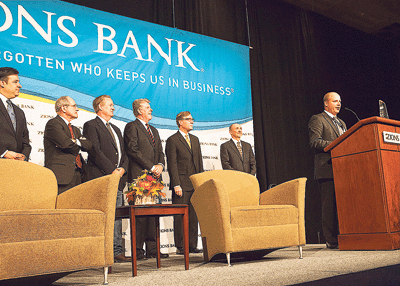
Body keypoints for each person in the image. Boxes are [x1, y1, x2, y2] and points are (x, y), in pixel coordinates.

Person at [83, 95, 131, 263]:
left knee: (117, 216)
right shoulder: (91, 125)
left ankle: (117, 250)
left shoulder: (117, 129)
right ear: (100, 107)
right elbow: (94, 150)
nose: (113, 108)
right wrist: (112, 170)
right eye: (110, 105)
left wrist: (123, 169)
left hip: (117, 179)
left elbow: (125, 154)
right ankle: (103, 252)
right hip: (102, 177)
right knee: (104, 216)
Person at [124, 98, 168, 260]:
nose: (151, 110)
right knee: (140, 216)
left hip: (154, 178)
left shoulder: (154, 130)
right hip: (139, 176)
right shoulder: (131, 127)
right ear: (139, 111)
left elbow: (160, 152)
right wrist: (151, 167)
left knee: (153, 214)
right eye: (148, 108)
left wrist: (161, 165)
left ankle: (153, 250)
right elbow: (133, 150)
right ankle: (138, 250)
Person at [308, 92, 347, 249]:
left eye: (340, 101)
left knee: (343, 204)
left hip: (344, 168)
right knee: (329, 205)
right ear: (326, 103)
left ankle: (345, 233)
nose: (339, 103)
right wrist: (337, 144)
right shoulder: (318, 119)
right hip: (327, 168)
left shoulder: (342, 122)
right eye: (335, 101)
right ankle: (331, 238)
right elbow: (314, 142)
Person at [166, 111, 204, 254]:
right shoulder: (173, 140)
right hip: (181, 184)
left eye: (192, 119)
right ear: (180, 122)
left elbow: (199, 162)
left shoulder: (195, 139)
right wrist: (176, 184)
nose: (192, 121)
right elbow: (172, 164)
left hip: (194, 183)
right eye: (189, 119)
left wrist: (200, 182)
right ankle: (181, 246)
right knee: (180, 216)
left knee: (194, 216)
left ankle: (192, 245)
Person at [44, 96, 92, 194]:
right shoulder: (53, 124)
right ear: (64, 108)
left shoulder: (76, 129)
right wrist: (78, 144)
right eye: (74, 106)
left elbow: (88, 145)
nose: (77, 109)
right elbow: (66, 144)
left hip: (79, 175)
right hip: (62, 176)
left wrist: (75, 141)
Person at [0, 67, 31, 161]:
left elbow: (26, 142)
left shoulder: (19, 112)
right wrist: (3, 153)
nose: (20, 85)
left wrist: (23, 156)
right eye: (15, 82)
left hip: (15, 169)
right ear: (2, 83)